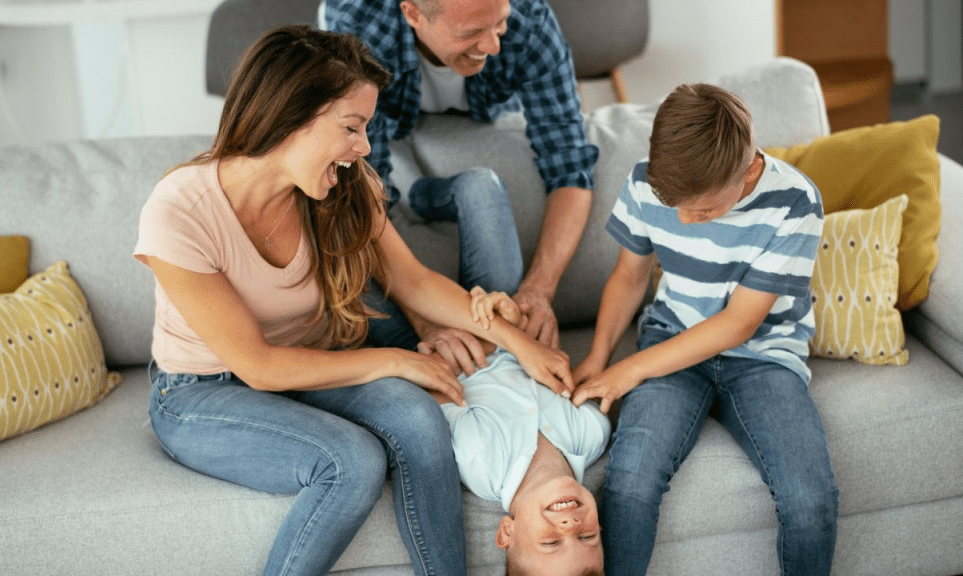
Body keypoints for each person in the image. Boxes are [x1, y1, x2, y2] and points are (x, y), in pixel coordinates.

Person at [133, 25, 573, 576]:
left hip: (310, 368)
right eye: (351, 127)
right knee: (350, 461)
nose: (364, 147)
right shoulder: (180, 210)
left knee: (420, 415)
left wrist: (515, 342)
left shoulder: (344, 186)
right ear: (292, 115)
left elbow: (412, 281)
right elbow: (258, 365)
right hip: (204, 393)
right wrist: (396, 360)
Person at [570, 83, 840, 576]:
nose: (684, 222)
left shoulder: (794, 201)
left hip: (762, 357)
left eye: (705, 211)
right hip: (671, 339)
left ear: (748, 171)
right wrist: (597, 357)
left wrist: (628, 371)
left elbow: (738, 324)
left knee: (810, 501)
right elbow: (630, 276)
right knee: (629, 483)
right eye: (674, 205)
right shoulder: (644, 183)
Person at [323, 0, 600, 372]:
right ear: (412, 14)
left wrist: (538, 290)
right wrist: (426, 319)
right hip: (376, 63)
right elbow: (359, 190)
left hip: (474, 102)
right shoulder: (363, 31)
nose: (493, 46)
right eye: (471, 32)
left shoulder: (528, 21)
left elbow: (570, 164)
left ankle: (424, 195)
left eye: (499, 25)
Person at [433, 287, 609, 576]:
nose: (570, 525)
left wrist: (497, 331)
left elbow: (437, 371)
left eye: (551, 542)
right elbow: (554, 364)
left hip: (454, 320)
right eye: (587, 537)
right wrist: (517, 322)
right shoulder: (591, 433)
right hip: (507, 308)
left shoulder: (482, 461)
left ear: (507, 532)